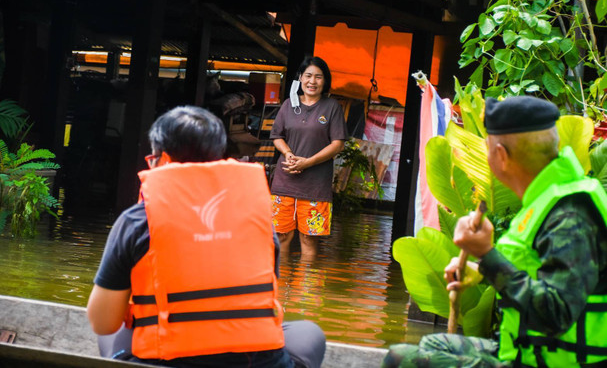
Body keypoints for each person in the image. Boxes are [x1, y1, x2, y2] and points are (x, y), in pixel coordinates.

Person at [87, 106, 325, 368]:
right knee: (309, 333)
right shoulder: (258, 217)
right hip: (257, 363)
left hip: (166, 360)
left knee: (114, 331)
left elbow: (103, 322)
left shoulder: (136, 221)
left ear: (163, 159)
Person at [383, 96, 607, 368]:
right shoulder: (550, 196)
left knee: (399, 359)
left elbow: (556, 314)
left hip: (554, 363)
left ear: (500, 155)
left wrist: (487, 256)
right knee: (436, 344)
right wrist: (481, 271)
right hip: (528, 352)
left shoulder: (570, 213)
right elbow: (540, 270)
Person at [270, 56, 348, 258]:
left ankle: (306, 291)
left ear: (325, 81)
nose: (312, 81)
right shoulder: (288, 105)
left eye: (319, 77)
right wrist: (288, 154)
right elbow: (277, 136)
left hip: (316, 185)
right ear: (300, 79)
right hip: (284, 180)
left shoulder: (332, 107)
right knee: (281, 237)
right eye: (308, 76)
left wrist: (308, 162)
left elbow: (338, 143)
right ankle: (281, 286)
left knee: (308, 238)